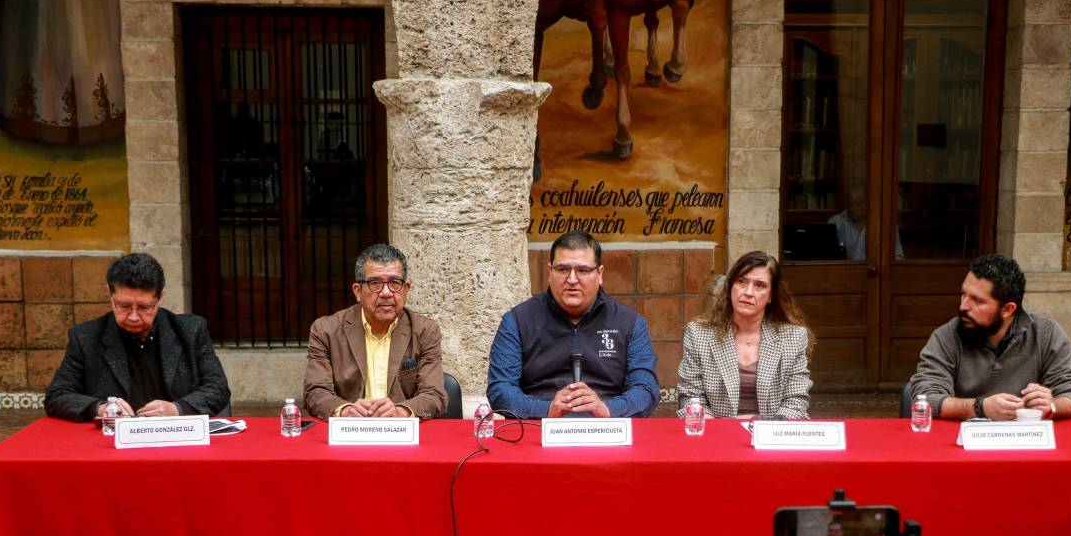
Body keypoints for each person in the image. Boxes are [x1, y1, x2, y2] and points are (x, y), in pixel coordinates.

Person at [487, 230, 658, 418]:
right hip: (538, 430)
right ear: (550, 271)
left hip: (608, 430)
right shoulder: (518, 320)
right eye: (562, 269)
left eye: (583, 270)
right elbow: (500, 389)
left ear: (599, 274)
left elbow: (646, 389)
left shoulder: (630, 323)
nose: (572, 280)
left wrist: (608, 409)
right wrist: (545, 410)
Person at [44, 253, 231, 421]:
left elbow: (218, 388)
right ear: (111, 296)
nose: (133, 316)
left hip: (177, 437)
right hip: (113, 445)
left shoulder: (191, 330)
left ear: (159, 298)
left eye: (144, 307)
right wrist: (101, 409)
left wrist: (176, 409)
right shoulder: (85, 338)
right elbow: (57, 395)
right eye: (124, 306)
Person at [909, 253, 1071, 421]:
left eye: (977, 300)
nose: (963, 306)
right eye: (963, 294)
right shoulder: (947, 336)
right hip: (962, 441)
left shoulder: (1046, 334)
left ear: (1007, 309)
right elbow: (924, 399)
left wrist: (1052, 405)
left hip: (1027, 440)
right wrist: (980, 408)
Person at [303, 243, 447, 420]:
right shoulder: (326, 331)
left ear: (406, 289)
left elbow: (434, 395)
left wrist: (401, 411)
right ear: (357, 291)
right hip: (350, 434)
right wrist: (345, 411)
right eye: (375, 283)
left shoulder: (425, 331)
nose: (386, 292)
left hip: (402, 435)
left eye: (395, 283)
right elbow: (315, 392)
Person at [677, 251, 811, 419]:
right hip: (716, 435)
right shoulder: (699, 334)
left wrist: (764, 428)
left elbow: (796, 400)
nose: (748, 292)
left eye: (760, 285)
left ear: (771, 296)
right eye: (741, 282)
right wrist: (716, 430)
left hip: (772, 437)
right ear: (730, 287)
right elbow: (690, 396)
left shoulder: (793, 337)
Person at [827, 185, 904, 261]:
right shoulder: (835, 223)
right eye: (850, 203)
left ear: (869, 202)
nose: (853, 208)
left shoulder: (885, 224)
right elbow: (824, 257)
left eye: (858, 204)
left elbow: (897, 258)